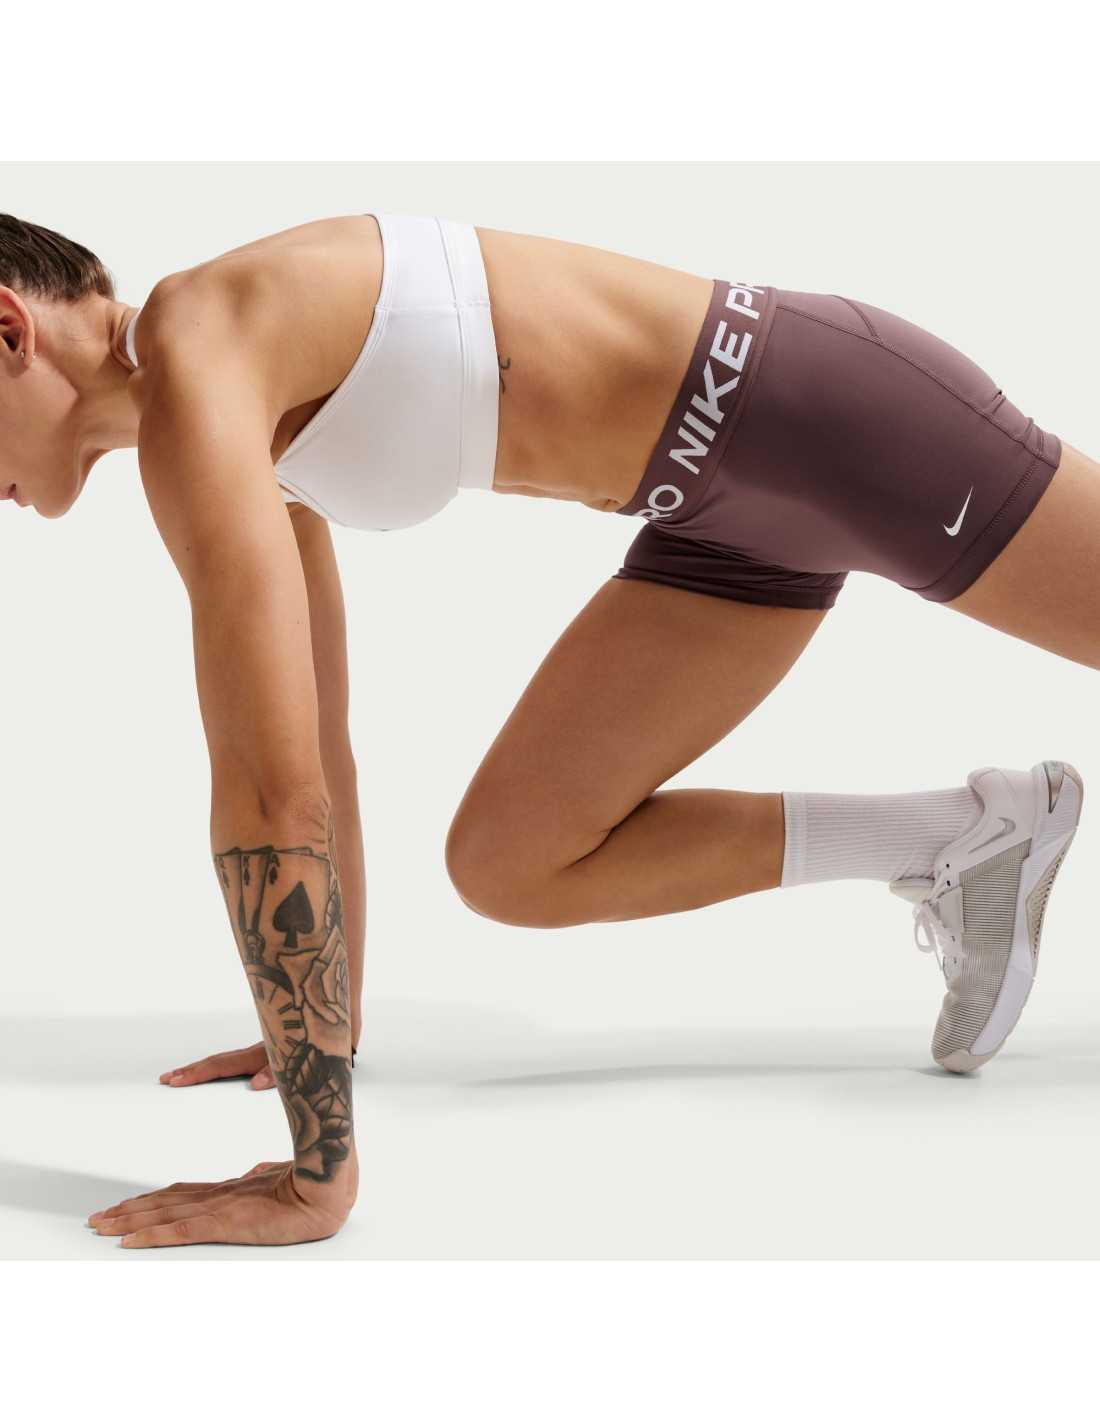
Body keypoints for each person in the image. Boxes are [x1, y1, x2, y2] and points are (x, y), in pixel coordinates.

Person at [1, 209, 1093, 1248]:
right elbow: (316, 746)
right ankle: (961, 841)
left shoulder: (203, 353)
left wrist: (314, 1176)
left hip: (834, 419)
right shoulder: (227, 405)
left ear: (10, 329)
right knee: (512, 859)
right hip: (718, 522)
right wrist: (325, 1034)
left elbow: (270, 795)